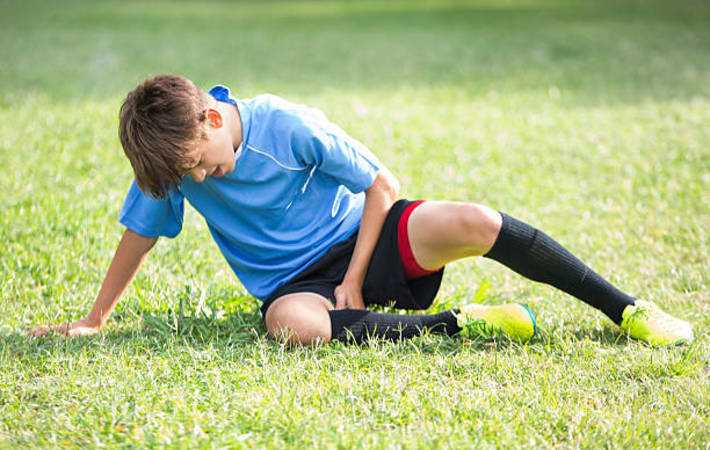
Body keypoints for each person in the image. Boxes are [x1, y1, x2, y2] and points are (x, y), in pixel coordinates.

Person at [29, 74, 693, 347]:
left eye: (200, 162)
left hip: (368, 239)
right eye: (188, 175)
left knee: (475, 221)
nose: (200, 178)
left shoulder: (286, 125)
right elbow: (139, 232)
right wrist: (95, 318)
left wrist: (353, 277)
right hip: (296, 287)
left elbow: (381, 182)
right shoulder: (170, 160)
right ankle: (463, 323)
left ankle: (627, 309)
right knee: (294, 328)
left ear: (211, 115)